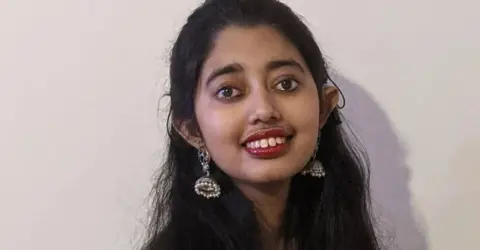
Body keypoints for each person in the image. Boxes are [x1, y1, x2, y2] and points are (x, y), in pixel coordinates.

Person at [143, 0, 380, 249]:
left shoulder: (343, 236)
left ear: (324, 107)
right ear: (191, 130)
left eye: (285, 84)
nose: (264, 110)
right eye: (228, 91)